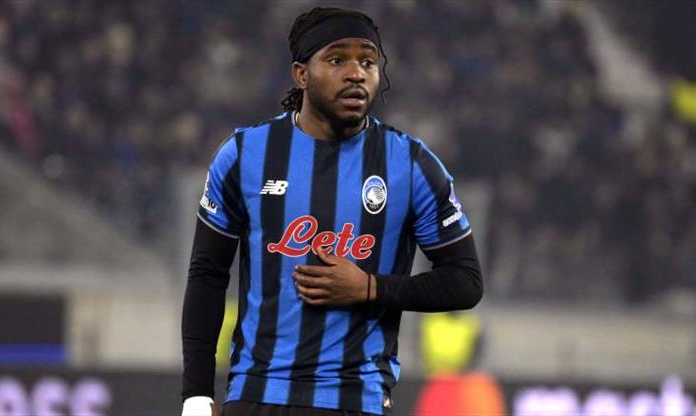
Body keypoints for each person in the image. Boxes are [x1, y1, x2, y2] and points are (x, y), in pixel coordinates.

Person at [181, 6, 483, 416]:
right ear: (301, 74)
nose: (356, 73)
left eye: (368, 62)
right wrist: (197, 394)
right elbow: (207, 274)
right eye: (338, 60)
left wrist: (371, 288)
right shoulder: (245, 155)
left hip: (357, 400)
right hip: (257, 396)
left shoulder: (411, 165)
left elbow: (465, 281)